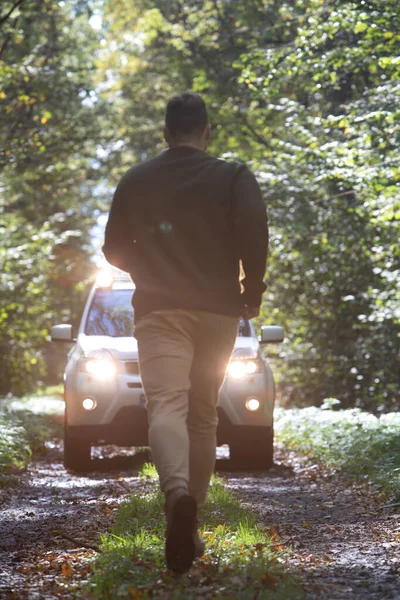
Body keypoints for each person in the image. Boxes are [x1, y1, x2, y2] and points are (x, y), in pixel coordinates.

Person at [103, 92, 269, 574]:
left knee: (166, 405)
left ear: (165, 131)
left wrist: (149, 269)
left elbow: (113, 248)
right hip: (218, 310)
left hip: (158, 311)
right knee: (202, 414)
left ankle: (177, 497)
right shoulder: (234, 176)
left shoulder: (136, 179)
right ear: (208, 130)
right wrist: (250, 291)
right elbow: (255, 231)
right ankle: (190, 522)